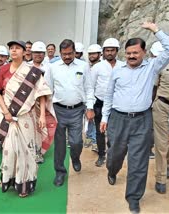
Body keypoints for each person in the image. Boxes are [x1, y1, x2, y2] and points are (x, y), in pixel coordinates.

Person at [100, 22, 169, 213]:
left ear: (143, 53)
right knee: (115, 153)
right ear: (124, 54)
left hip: (142, 121)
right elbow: (109, 96)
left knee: (138, 160)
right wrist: (104, 117)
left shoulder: (152, 67)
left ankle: (134, 197)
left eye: (135, 52)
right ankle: (112, 169)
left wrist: (155, 30)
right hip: (118, 119)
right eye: (128, 53)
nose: (132, 56)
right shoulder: (117, 71)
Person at [0, 40, 56, 198]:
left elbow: (42, 94)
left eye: (17, 48)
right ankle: (7, 178)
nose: (13, 51)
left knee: (27, 151)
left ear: (24, 52)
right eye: (11, 48)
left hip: (26, 118)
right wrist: (6, 112)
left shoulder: (33, 71)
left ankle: (25, 184)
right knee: (9, 150)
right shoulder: (3, 70)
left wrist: (42, 115)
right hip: (7, 117)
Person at [45, 39, 95, 187]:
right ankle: (60, 172)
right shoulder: (53, 68)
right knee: (59, 145)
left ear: (75, 52)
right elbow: (48, 90)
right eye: (64, 54)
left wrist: (90, 107)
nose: (67, 57)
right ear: (60, 53)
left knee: (76, 142)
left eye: (70, 53)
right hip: (58, 110)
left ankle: (75, 157)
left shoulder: (83, 66)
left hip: (77, 110)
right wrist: (48, 111)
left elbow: (89, 88)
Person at [90, 38, 124, 167]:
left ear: (117, 51)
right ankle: (101, 155)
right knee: (100, 131)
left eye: (112, 50)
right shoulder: (97, 67)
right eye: (107, 50)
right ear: (103, 52)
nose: (110, 53)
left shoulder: (123, 66)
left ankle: (112, 154)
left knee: (115, 131)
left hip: (117, 105)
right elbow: (91, 86)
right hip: (100, 103)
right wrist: (90, 106)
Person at [152, 32, 169, 194]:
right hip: (162, 106)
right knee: (161, 144)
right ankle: (160, 178)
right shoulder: (163, 63)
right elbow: (154, 86)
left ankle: (167, 162)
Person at [84, 44, 103, 153]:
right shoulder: (86, 66)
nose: (91, 56)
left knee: (97, 119)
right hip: (88, 97)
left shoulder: (103, 66)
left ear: (99, 54)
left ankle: (96, 141)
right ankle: (89, 136)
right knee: (89, 118)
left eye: (94, 53)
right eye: (90, 54)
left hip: (98, 97)